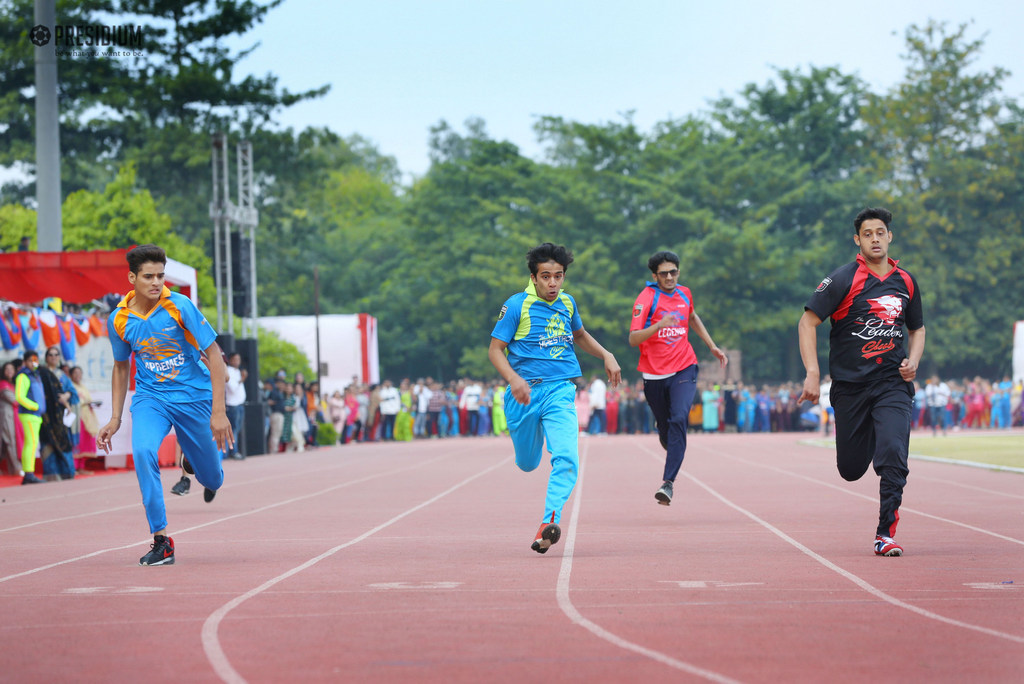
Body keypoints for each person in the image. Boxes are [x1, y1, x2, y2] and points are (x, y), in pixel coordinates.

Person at [798, 208, 925, 557]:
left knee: (894, 455)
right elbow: (806, 323)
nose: (875, 238)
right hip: (850, 387)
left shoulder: (907, 282)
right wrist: (812, 372)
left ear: (889, 236)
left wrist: (913, 360)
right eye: (867, 233)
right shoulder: (842, 279)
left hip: (892, 383)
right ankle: (873, 435)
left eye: (880, 232)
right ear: (858, 240)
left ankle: (885, 533)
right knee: (851, 470)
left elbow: (917, 329)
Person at [96, 244, 232, 567]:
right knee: (143, 452)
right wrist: (115, 418)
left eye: (160, 276)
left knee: (213, 479)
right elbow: (120, 366)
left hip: (193, 398)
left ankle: (192, 466)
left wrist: (219, 411)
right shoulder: (120, 319)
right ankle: (162, 540)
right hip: (151, 399)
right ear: (132, 278)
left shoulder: (180, 306)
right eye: (148, 276)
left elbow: (214, 355)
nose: (156, 282)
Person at [489, 242, 621, 554]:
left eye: (558, 276)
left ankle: (549, 522)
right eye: (546, 277)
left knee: (567, 458)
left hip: (560, 391)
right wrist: (514, 379)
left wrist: (606, 353)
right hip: (523, 394)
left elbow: (580, 336)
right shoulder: (517, 305)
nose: (552, 283)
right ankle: (527, 445)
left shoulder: (568, 303)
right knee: (527, 463)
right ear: (534, 278)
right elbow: (495, 350)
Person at [628, 250, 728, 506]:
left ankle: (667, 483)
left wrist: (711, 345)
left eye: (674, 272)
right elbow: (633, 339)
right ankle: (665, 432)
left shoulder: (685, 293)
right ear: (655, 276)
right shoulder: (646, 298)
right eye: (664, 273)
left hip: (684, 367)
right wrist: (658, 326)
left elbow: (692, 317)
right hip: (654, 375)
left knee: (679, 418)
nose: (670, 277)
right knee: (666, 426)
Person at [14, 350, 46, 484]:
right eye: (31, 360)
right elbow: (19, 397)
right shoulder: (23, 376)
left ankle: (29, 474)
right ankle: (28, 474)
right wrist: (35, 406)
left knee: (32, 444)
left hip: (36, 415)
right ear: (25, 362)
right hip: (29, 414)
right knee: (30, 444)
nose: (34, 363)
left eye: (36, 360)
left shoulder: (36, 375)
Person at [1, 361, 25, 477]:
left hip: (14, 417)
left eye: (12, 369)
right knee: (10, 441)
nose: (9, 371)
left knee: (10, 442)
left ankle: (14, 469)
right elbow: (16, 400)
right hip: (6, 417)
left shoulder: (14, 385)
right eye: (7, 369)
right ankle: (16, 468)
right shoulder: (3, 385)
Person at [224, 352, 247, 459]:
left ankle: (233, 451)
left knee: (236, 430)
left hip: (240, 404)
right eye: (235, 359)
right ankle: (231, 452)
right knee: (232, 430)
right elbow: (232, 388)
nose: (237, 361)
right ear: (230, 360)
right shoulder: (228, 371)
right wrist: (242, 379)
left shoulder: (238, 371)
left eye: (239, 359)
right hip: (232, 405)